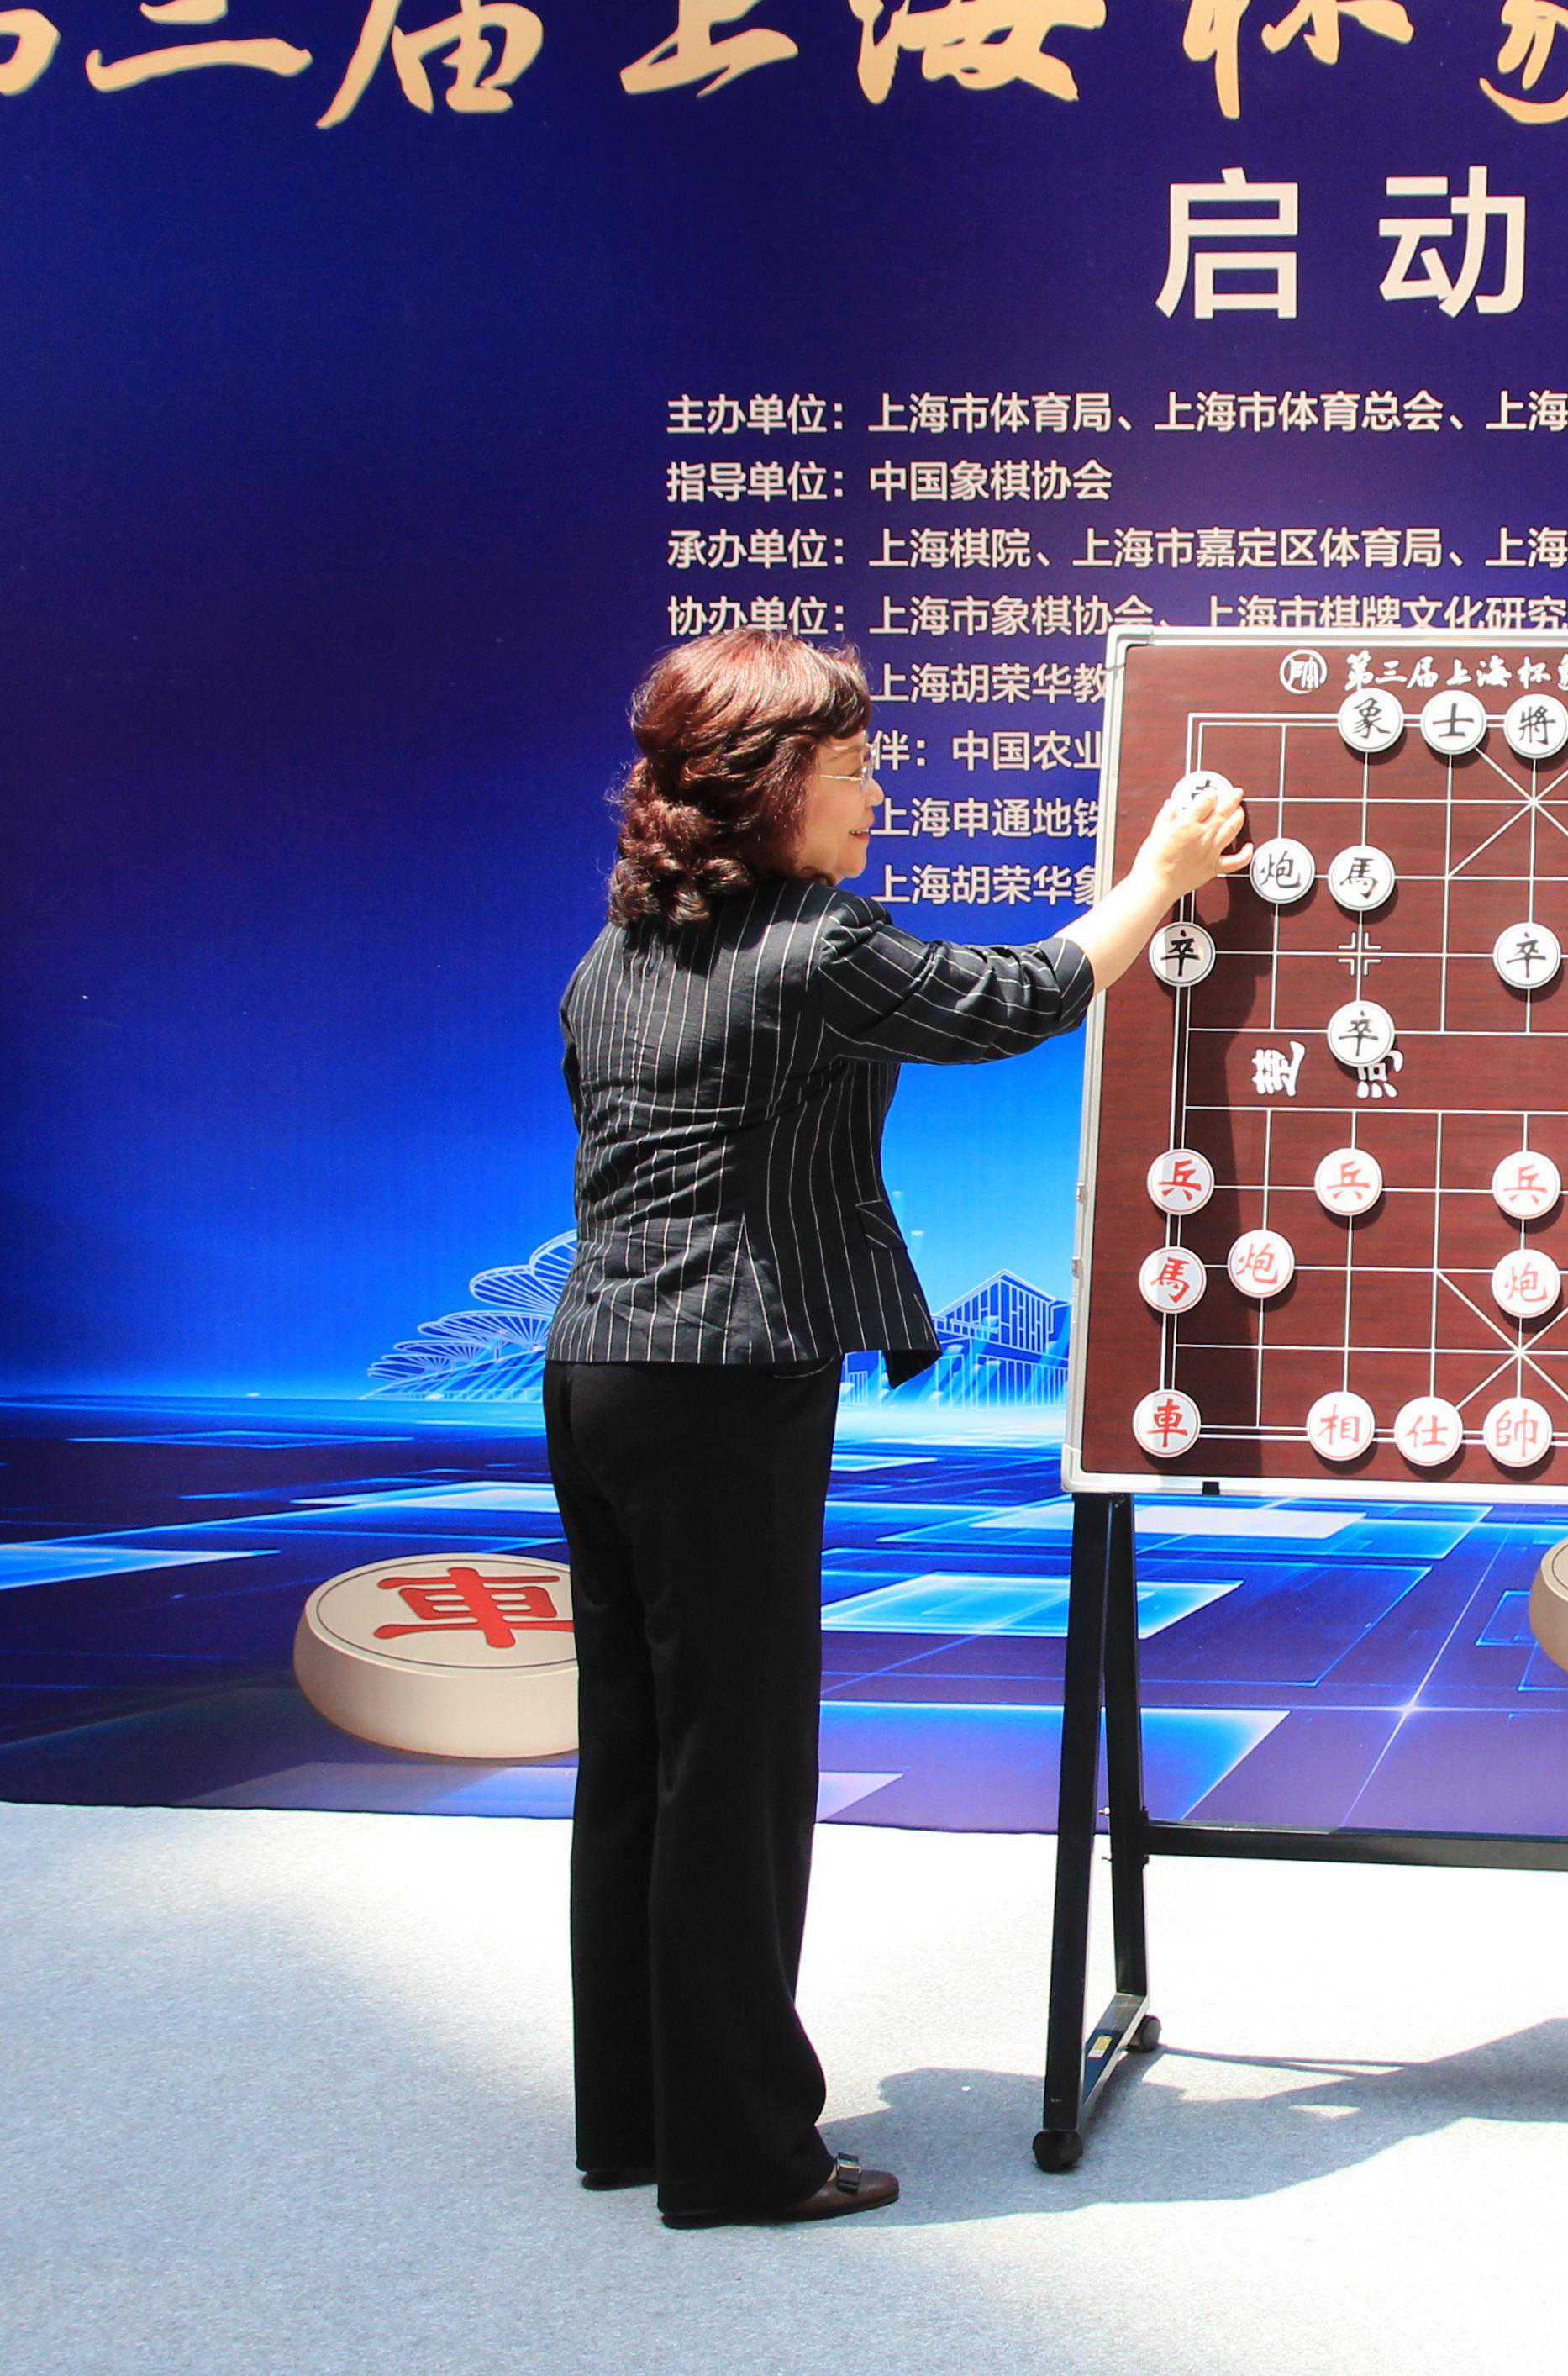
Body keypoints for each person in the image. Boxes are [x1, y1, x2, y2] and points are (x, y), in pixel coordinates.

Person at [540, 630, 1244, 2230]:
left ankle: (637, 2116)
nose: (878, 798)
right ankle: (743, 2155)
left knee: (640, 1756)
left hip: (596, 1371)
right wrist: (1161, 876)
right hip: (727, 1378)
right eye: (855, 770)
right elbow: (1018, 998)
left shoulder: (612, 956)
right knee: (738, 1768)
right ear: (770, 782)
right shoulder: (813, 944)